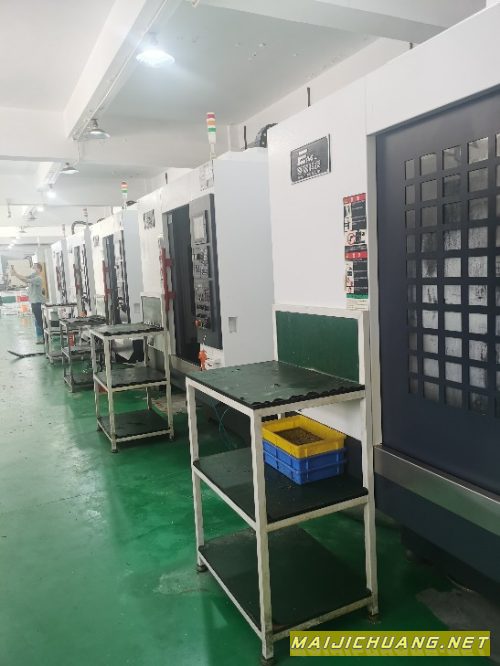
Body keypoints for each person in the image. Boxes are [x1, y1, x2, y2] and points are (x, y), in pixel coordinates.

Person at [11, 263, 45, 343]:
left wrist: (15, 274)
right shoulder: (33, 276)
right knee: (37, 321)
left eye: (34, 267)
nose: (32, 269)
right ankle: (40, 338)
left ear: (39, 269)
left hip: (37, 302)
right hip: (34, 302)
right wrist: (15, 273)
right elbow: (24, 277)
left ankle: (44, 338)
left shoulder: (38, 278)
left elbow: (25, 280)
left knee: (39, 321)